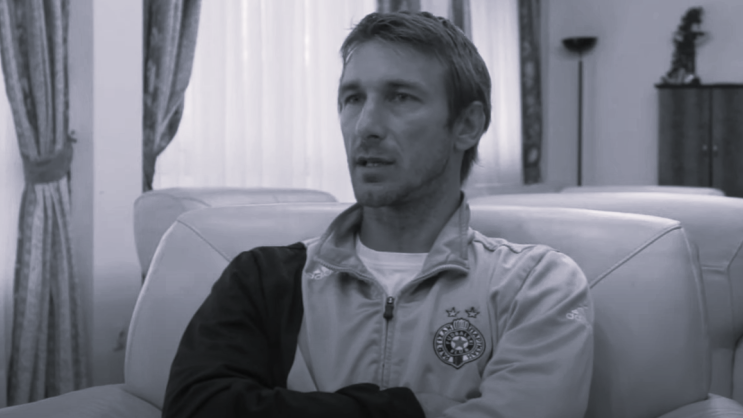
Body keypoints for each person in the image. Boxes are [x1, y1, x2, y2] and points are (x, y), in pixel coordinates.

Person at [162, 11, 594, 418]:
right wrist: (406, 409)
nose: (365, 125)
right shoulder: (263, 277)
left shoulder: (535, 285)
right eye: (352, 99)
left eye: (400, 97)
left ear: (467, 125)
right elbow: (195, 408)